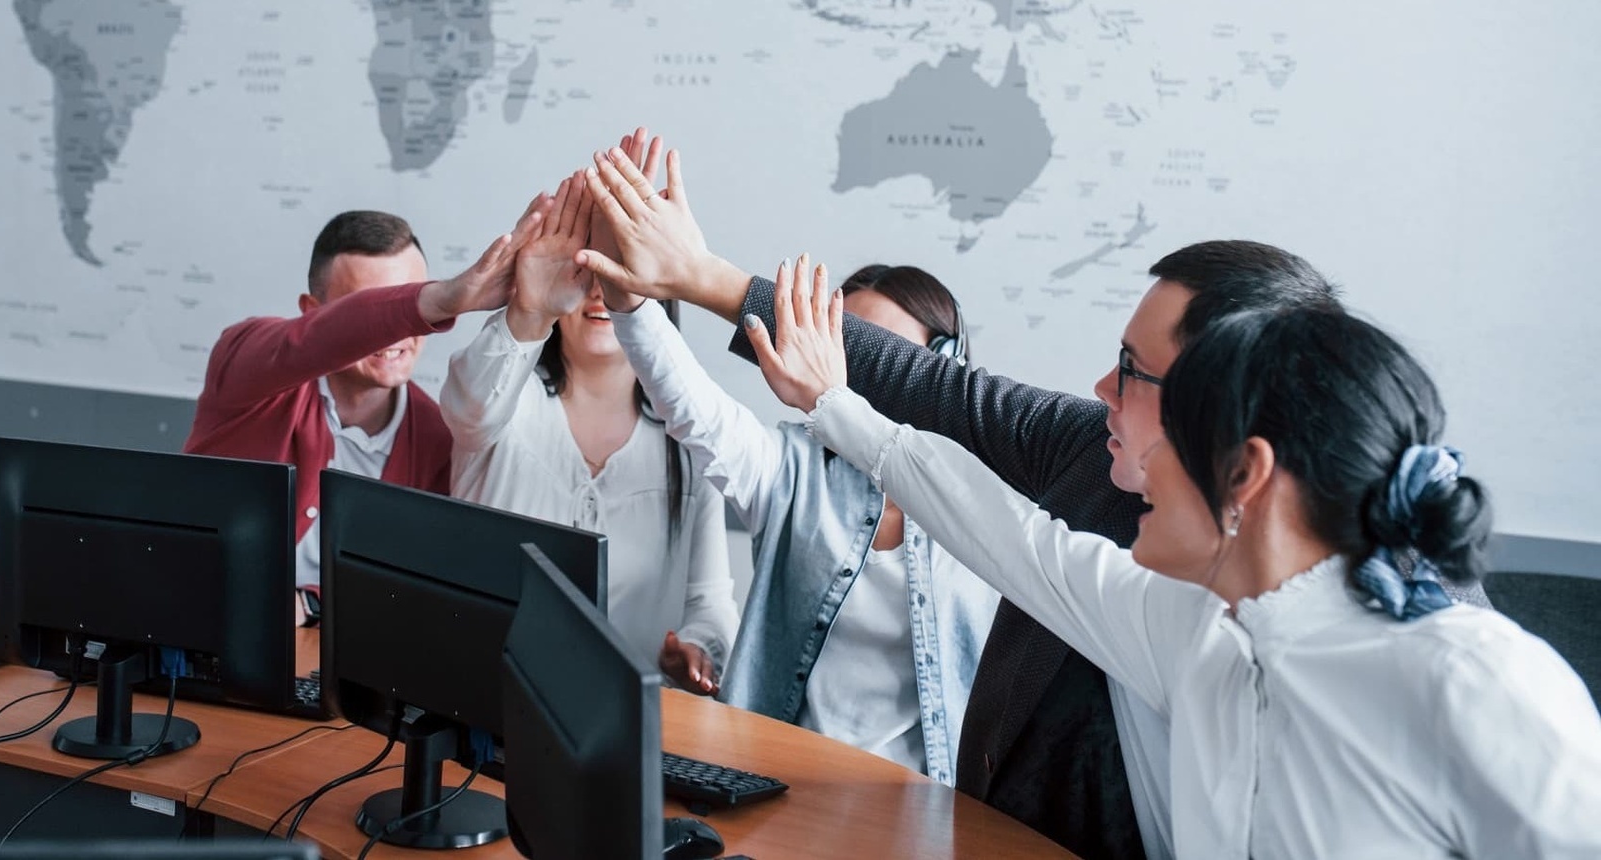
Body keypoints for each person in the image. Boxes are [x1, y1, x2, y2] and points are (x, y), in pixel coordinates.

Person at [746, 261, 1601, 857]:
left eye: (1162, 428)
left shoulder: (1473, 678)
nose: (1131, 463)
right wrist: (830, 403)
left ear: (1246, 474)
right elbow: (1007, 535)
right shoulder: (1191, 630)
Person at [605, 260, 998, 781]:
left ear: (942, 366)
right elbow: (693, 409)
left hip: (929, 805)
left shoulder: (987, 502)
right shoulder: (790, 466)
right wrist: (628, 302)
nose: (854, 374)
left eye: (879, 354)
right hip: (782, 785)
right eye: (842, 349)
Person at [441, 173, 737, 692]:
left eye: (620, 270)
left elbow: (710, 608)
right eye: (586, 270)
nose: (600, 292)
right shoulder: (510, 402)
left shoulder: (690, 445)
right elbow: (469, 406)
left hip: (633, 724)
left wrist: (695, 653)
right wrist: (527, 311)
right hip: (491, 706)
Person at [184, 205, 542, 623]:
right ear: (313, 312)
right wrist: (442, 299)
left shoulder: (441, 440)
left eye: (411, 294)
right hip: (191, 644)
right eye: (377, 310)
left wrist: (311, 603)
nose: (400, 333)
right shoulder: (243, 368)